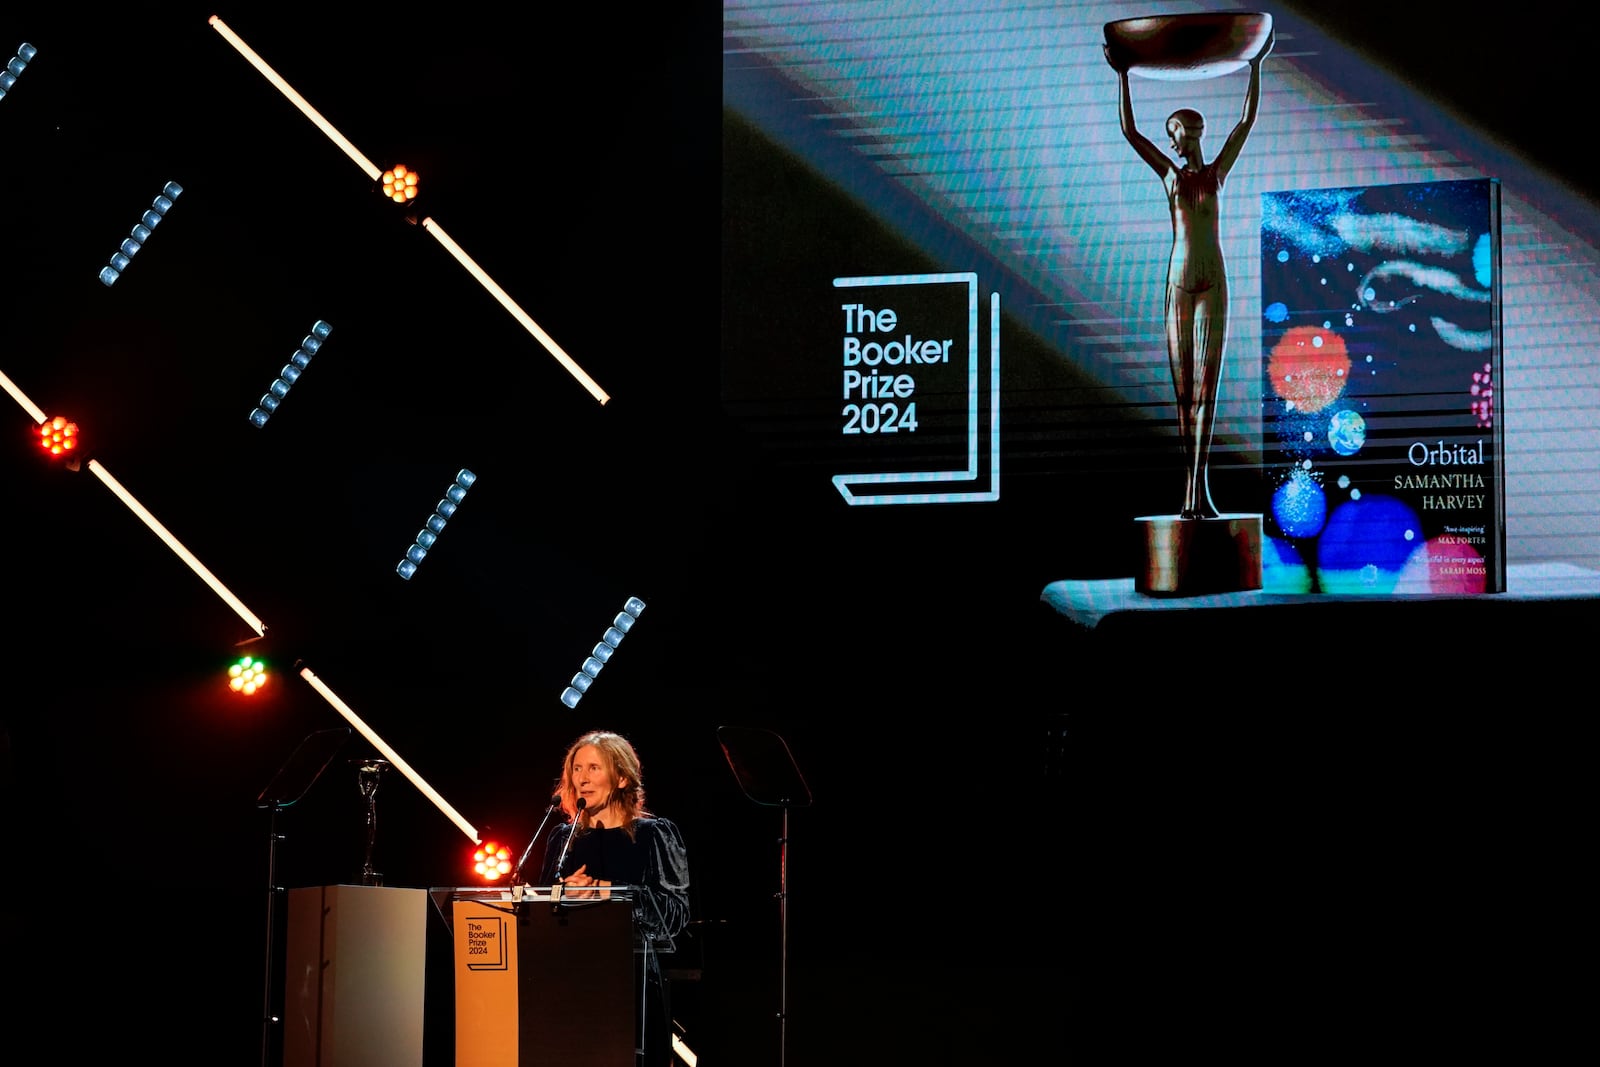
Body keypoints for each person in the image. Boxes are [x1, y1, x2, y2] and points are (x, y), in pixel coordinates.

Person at [1109, 28, 1272, 518]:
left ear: (1188, 133)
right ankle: (1189, 494)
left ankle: (1201, 492)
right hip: (1181, 281)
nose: (1176, 143)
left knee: (1208, 389)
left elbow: (1245, 122)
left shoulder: (1214, 174)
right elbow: (1130, 133)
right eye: (1174, 137)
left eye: (1177, 134)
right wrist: (1123, 77)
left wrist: (1256, 65)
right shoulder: (1170, 176)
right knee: (1184, 393)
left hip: (1212, 281)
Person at [537, 729, 690, 1067]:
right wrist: (559, 894)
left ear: (621, 778)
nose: (582, 779)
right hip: (565, 984)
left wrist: (609, 892)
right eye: (577, 769)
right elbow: (538, 914)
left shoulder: (656, 834)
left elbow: (675, 915)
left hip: (629, 986)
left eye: (594, 768)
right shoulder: (563, 838)